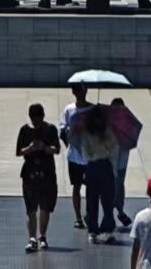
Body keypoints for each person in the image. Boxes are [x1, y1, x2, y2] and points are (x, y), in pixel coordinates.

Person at [16, 101, 60, 253]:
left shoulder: (50, 129)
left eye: (38, 118)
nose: (36, 121)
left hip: (47, 173)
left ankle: (43, 236)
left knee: (45, 207)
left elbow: (57, 149)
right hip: (29, 173)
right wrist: (30, 148)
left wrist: (45, 148)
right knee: (31, 208)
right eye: (33, 118)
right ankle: (32, 238)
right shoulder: (25, 130)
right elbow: (19, 151)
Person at [73, 102, 120, 242]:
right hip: (93, 166)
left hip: (106, 166)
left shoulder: (108, 132)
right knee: (92, 200)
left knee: (108, 200)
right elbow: (85, 152)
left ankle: (108, 229)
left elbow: (114, 148)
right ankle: (93, 230)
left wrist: (105, 147)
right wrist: (96, 154)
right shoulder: (87, 133)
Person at [107, 95, 143, 229]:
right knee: (110, 185)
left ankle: (119, 210)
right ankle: (111, 211)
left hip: (121, 157)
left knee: (119, 184)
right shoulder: (107, 121)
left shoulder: (127, 122)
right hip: (110, 158)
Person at [60, 83, 89, 228]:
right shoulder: (69, 109)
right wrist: (69, 133)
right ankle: (78, 217)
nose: (80, 93)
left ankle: (90, 213)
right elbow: (62, 129)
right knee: (76, 186)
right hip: (74, 156)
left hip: (91, 156)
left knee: (92, 188)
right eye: (77, 90)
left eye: (82, 90)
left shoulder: (92, 109)